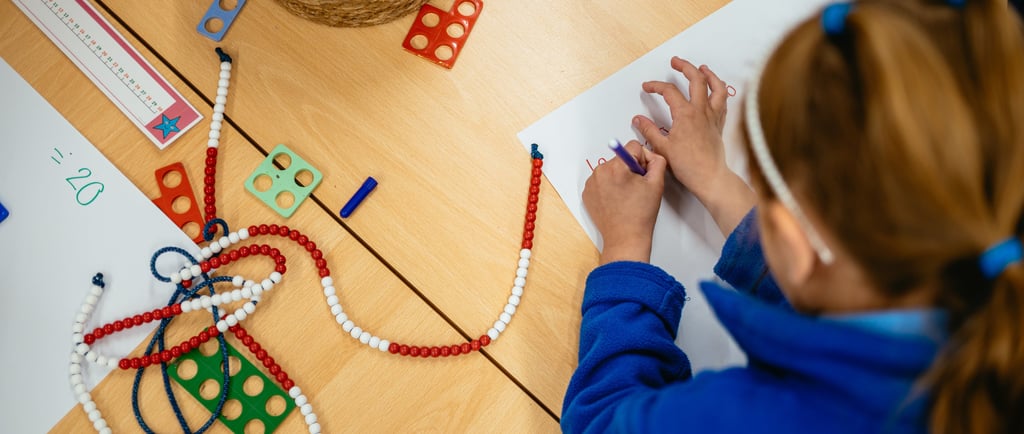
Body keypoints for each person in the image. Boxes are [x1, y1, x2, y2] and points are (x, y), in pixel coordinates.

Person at [562, 1, 1024, 433]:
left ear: (789, 235)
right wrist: (716, 178)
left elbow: (600, 421)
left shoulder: (765, 418)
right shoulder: (990, 290)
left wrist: (623, 246)